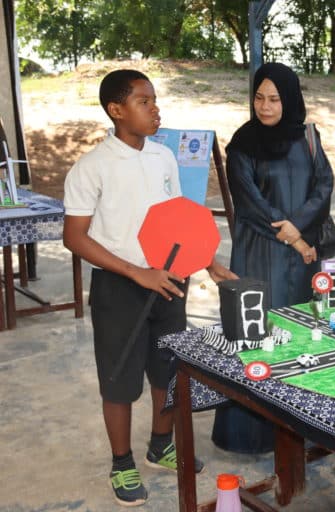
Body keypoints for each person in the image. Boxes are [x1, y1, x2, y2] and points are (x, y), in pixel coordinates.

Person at [63, 69, 236, 507]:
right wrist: (135, 272)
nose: (155, 109)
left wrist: (209, 263)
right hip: (120, 285)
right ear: (116, 111)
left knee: (167, 370)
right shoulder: (92, 167)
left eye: (155, 100)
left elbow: (180, 220)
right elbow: (75, 237)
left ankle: (161, 444)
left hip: (171, 279)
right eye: (144, 101)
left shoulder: (163, 158)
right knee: (119, 378)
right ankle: (121, 465)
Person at [212, 62, 334, 454]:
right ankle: (253, 435)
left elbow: (323, 184)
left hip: (302, 256)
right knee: (257, 335)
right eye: (259, 98)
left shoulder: (309, 137)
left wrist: (300, 229)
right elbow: (251, 203)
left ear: (291, 99)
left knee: (303, 336)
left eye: (275, 99)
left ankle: (302, 430)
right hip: (260, 254)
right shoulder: (241, 145)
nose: (265, 106)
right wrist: (295, 239)